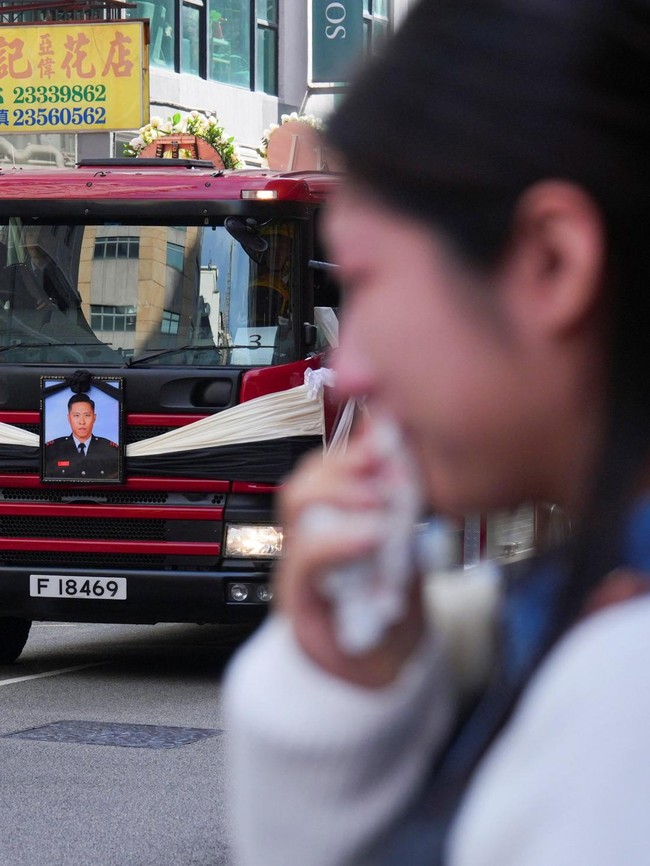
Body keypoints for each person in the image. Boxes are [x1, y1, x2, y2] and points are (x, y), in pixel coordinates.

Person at [224, 1, 650, 864]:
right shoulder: (572, 609)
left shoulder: (622, 706)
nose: (350, 369)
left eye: (371, 281)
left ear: (551, 261)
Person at [45, 393, 119, 479]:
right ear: (69, 418)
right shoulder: (52, 450)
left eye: (87, 415)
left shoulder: (109, 450)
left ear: (94, 418)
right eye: (76, 415)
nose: (82, 422)